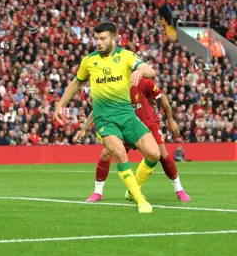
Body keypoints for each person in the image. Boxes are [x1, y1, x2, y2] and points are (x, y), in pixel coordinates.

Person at [53, 22, 160, 214]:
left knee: (154, 154)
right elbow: (76, 84)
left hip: (127, 116)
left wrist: (138, 71)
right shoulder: (89, 61)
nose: (99, 42)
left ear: (114, 39)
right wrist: (60, 104)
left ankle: (131, 190)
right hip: (104, 119)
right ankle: (140, 200)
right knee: (119, 153)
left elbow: (151, 72)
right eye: (96, 39)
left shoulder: (126, 56)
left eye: (103, 39)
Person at [76, 77, 191, 203]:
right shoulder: (113, 85)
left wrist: (170, 119)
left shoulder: (142, 81)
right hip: (126, 125)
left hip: (148, 123)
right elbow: (99, 108)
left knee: (161, 153)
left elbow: (161, 97)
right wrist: (84, 128)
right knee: (107, 153)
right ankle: (97, 192)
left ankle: (179, 189)